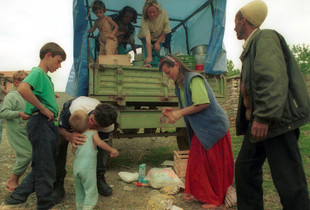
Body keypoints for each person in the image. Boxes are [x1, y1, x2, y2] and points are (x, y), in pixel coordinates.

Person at [234, 1, 310, 209]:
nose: (234, 27)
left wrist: (263, 116)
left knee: (289, 182)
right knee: (245, 170)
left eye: (235, 21)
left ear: (243, 20)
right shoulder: (251, 45)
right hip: (258, 123)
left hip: (274, 122)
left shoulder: (265, 37)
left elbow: (272, 77)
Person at [160, 55, 234, 209]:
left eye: (169, 72)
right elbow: (191, 105)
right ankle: (200, 193)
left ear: (176, 65)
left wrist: (180, 113)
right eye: (166, 74)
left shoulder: (194, 79)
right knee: (197, 162)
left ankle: (215, 199)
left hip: (213, 127)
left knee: (213, 164)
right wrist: (175, 110)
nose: (168, 76)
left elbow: (203, 103)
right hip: (202, 128)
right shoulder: (179, 85)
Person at [4, 42, 66, 209]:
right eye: (58, 61)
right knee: (45, 170)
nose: (59, 66)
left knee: (42, 166)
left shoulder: (45, 77)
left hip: (46, 125)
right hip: (42, 123)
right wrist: (43, 108)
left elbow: (33, 92)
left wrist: (48, 97)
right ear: (48, 56)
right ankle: (45, 204)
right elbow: (23, 88)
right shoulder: (38, 72)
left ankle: (13, 200)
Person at [52, 96, 118, 203]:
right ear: (93, 113)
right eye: (92, 122)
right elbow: (60, 129)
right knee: (60, 144)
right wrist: (70, 136)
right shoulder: (75, 110)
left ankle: (99, 178)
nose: (91, 127)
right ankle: (58, 182)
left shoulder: (108, 127)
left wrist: (110, 149)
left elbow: (101, 144)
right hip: (76, 112)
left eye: (97, 127)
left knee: (102, 151)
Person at [69, 110, 119, 210]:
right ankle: (88, 207)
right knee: (90, 190)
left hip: (77, 169)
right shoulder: (93, 133)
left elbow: (74, 152)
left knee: (80, 191)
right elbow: (100, 144)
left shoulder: (76, 137)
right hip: (87, 170)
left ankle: (80, 206)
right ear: (88, 122)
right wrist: (112, 149)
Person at [0, 71, 32, 193]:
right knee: (26, 154)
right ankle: (12, 180)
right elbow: (2, 112)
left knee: (29, 153)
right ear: (17, 82)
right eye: (26, 82)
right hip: (16, 130)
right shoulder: (11, 96)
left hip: (26, 129)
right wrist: (18, 114)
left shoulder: (25, 95)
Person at [138, 0, 171, 67]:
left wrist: (158, 42)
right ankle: (147, 67)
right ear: (146, 12)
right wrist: (149, 56)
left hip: (159, 36)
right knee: (148, 54)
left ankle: (156, 69)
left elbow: (166, 31)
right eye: (149, 12)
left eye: (154, 12)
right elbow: (147, 39)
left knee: (157, 53)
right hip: (146, 37)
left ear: (158, 9)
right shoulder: (144, 18)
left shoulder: (164, 14)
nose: (152, 14)